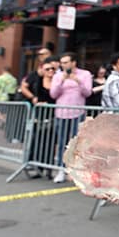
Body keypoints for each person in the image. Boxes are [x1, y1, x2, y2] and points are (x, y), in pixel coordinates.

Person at [49, 52, 91, 183]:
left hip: (77, 113)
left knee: (77, 143)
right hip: (61, 114)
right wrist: (62, 80)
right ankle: (61, 170)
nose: (63, 65)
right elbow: (53, 94)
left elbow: (87, 92)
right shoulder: (57, 76)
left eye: (66, 62)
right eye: (62, 63)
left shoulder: (85, 74)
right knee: (62, 142)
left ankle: (75, 172)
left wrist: (77, 81)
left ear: (74, 63)